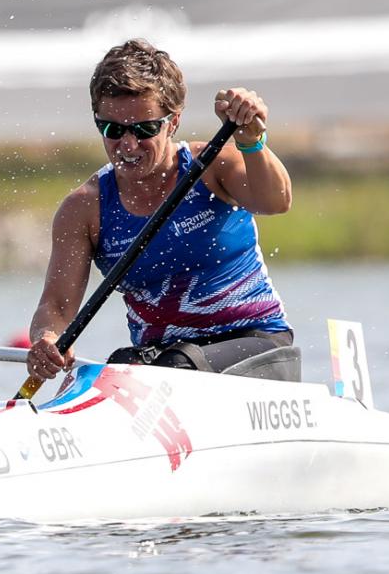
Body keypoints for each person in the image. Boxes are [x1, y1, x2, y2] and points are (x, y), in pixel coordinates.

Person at [25, 38, 293, 384]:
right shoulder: (84, 209)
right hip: (166, 362)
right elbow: (57, 308)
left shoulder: (212, 167)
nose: (128, 145)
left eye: (144, 129)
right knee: (109, 373)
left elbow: (277, 201)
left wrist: (251, 140)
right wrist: (46, 340)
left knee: (174, 365)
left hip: (258, 346)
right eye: (112, 129)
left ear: (173, 122)